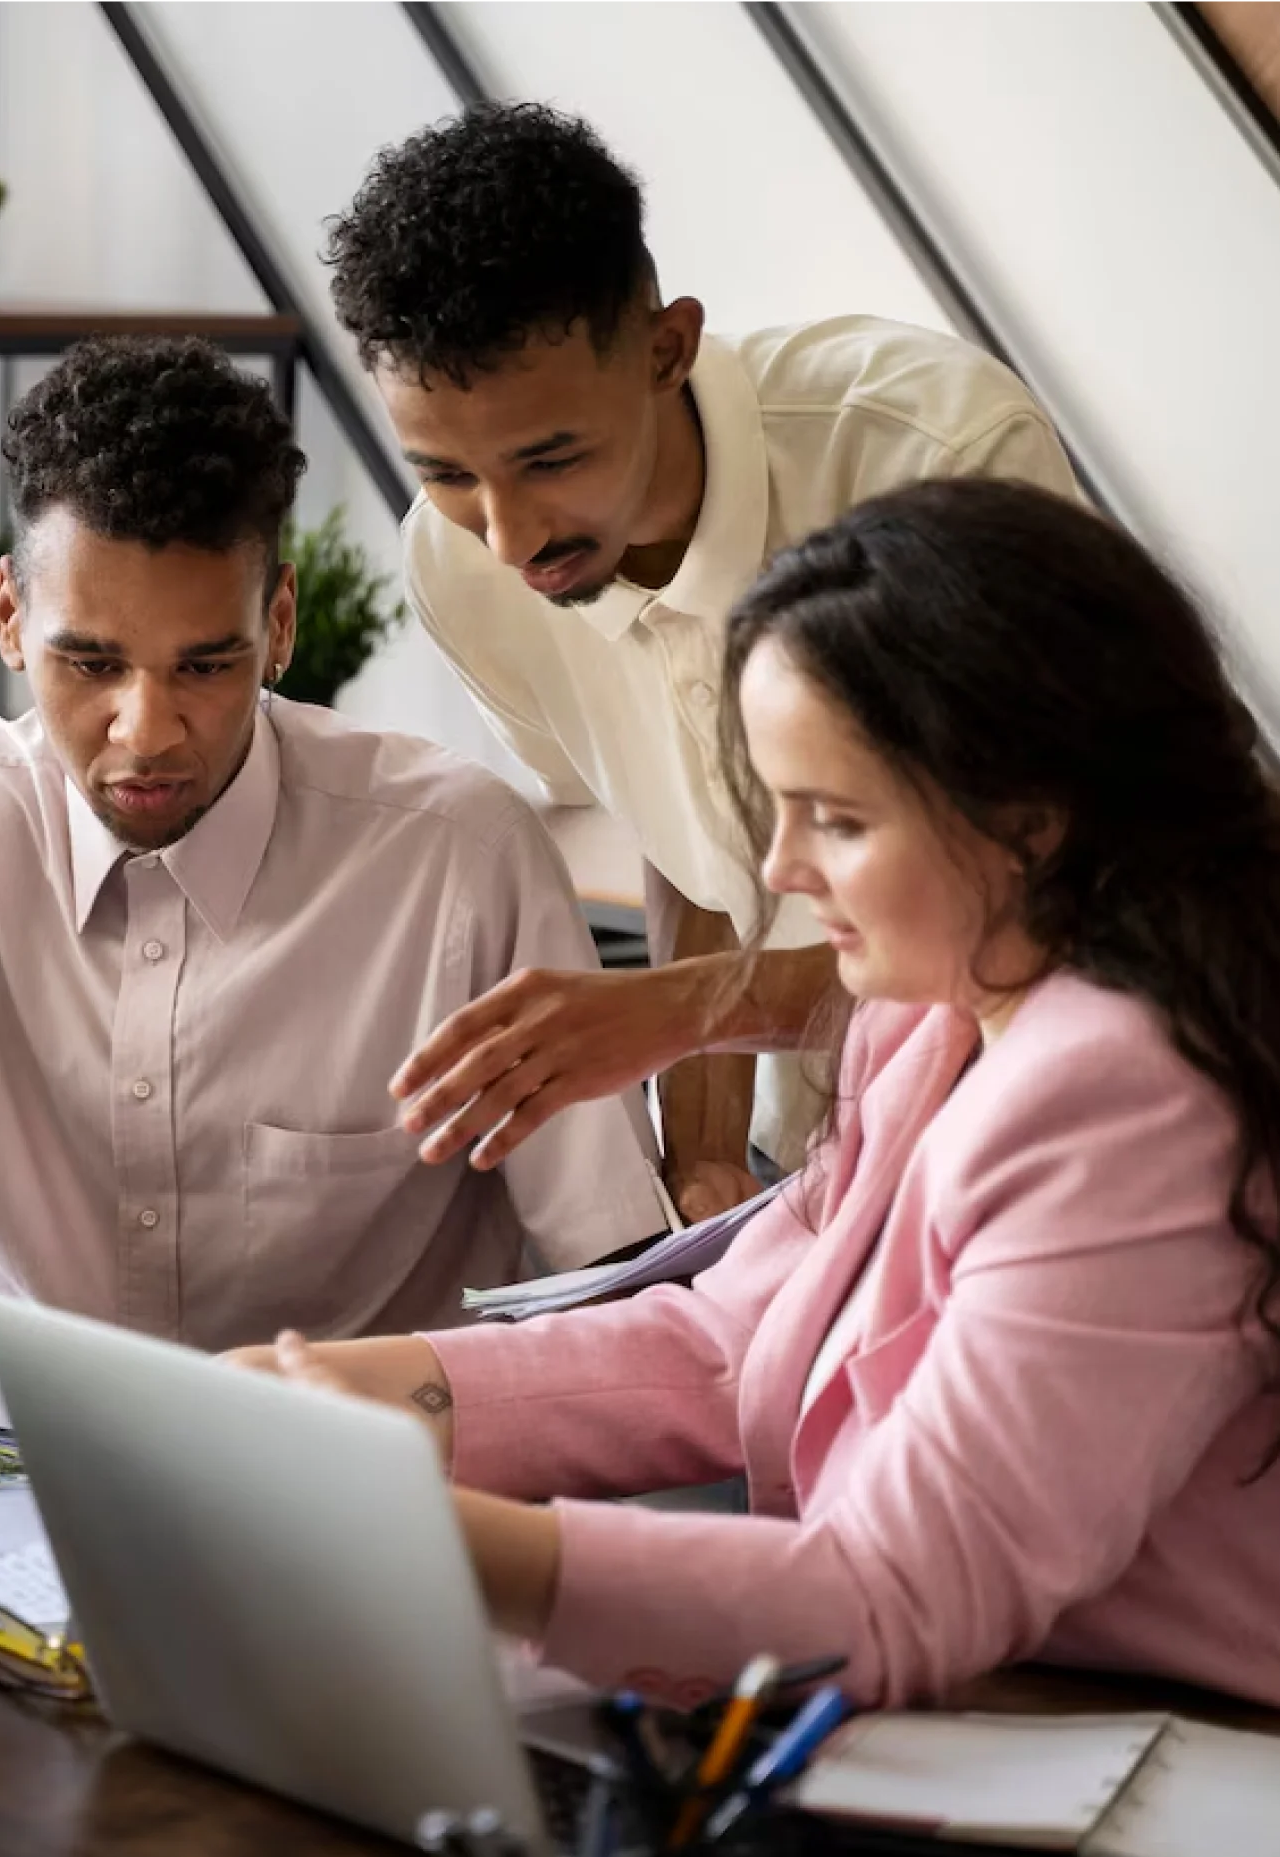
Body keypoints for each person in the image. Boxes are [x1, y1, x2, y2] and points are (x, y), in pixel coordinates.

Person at [234, 479, 1280, 1710]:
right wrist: (388, 1389)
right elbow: (742, 1338)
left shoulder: (1123, 1092)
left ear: (1030, 825)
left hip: (1168, 1744)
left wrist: (415, 1537)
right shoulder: (936, 1004)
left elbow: (898, 1589)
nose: (780, 869)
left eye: (834, 819)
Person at [0, 337, 665, 1353]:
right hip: (30, 1469)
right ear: (12, 618)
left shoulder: (463, 860)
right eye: (92, 663)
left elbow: (614, 1273)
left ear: (279, 625)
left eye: (203, 667)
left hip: (371, 1478)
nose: (145, 731)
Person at [325, 102, 1083, 1213]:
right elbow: (686, 840)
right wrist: (702, 1157)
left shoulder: (933, 455)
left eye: (551, 458)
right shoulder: (459, 564)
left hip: (1075, 1113)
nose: (510, 534)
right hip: (823, 1144)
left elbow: (1054, 905)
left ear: (667, 349)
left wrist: (686, 1008)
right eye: (445, 471)